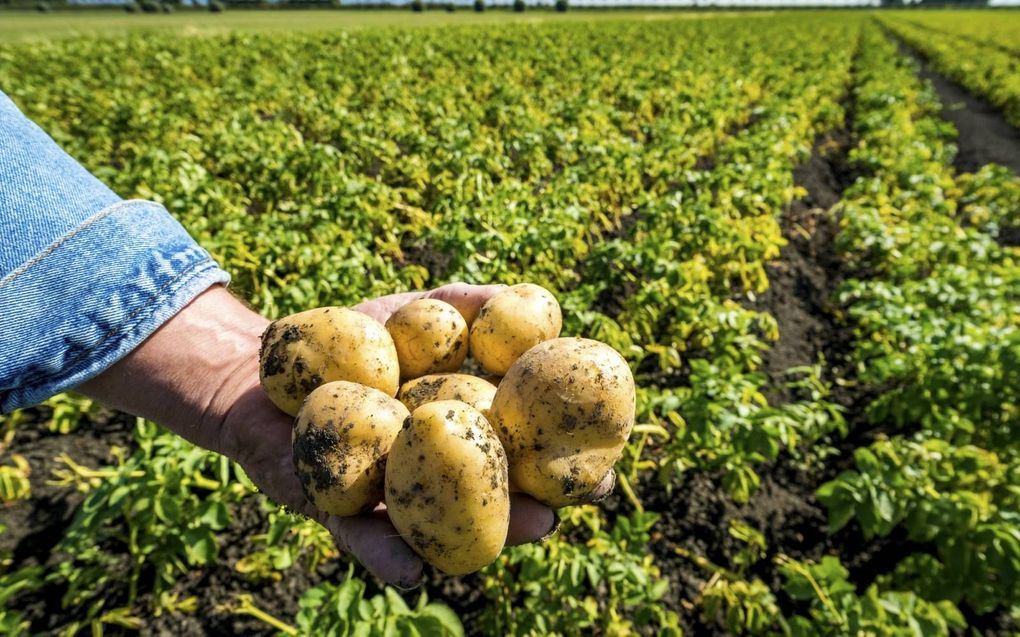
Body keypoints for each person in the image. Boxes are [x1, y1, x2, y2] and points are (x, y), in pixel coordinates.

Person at [0, 90, 612, 589]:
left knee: (450, 415)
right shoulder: (394, 378)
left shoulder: (450, 399)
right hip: (390, 405)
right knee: (433, 408)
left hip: (430, 416)